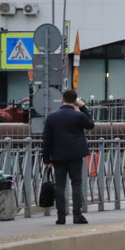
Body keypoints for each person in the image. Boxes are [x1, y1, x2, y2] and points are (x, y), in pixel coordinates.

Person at [42, 90, 95, 225]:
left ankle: (61, 216)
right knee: (76, 183)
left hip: (58, 156)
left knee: (60, 185)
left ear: (62, 100)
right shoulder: (78, 116)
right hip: (76, 155)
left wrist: (46, 159)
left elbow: (46, 140)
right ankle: (77, 215)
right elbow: (90, 124)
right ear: (75, 101)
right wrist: (83, 107)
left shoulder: (52, 117)